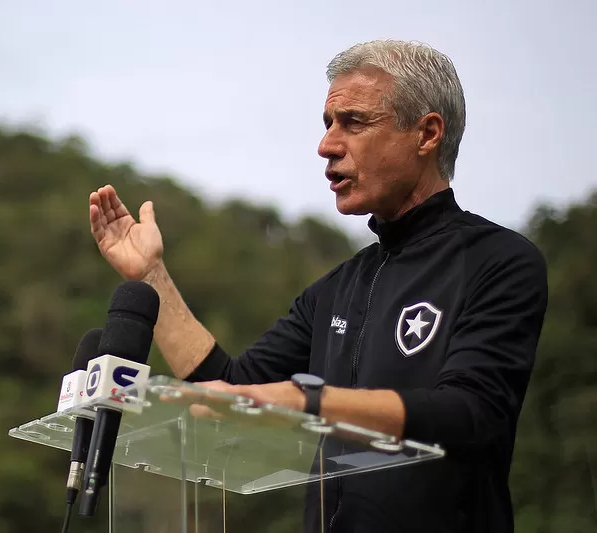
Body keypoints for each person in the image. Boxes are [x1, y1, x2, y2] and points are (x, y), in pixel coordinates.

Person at [87, 40, 548, 532]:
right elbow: (232, 390)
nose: (327, 145)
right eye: (328, 124)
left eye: (353, 122)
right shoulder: (334, 289)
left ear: (427, 133)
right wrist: (151, 276)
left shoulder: (499, 261)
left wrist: (307, 400)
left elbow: (472, 412)